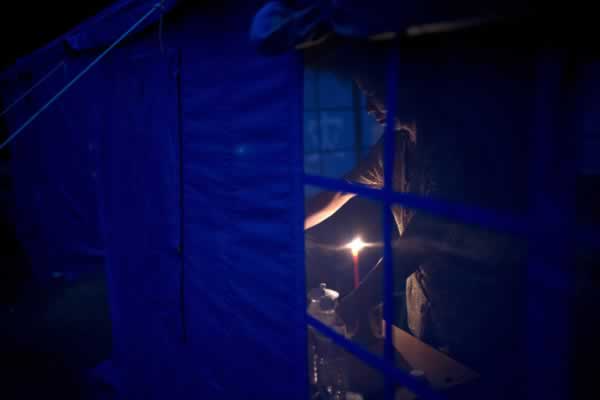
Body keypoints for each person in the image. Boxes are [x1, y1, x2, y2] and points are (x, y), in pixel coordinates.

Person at [303, 37, 528, 378]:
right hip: (424, 307)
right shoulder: (395, 146)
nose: (368, 107)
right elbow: (342, 190)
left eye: (374, 92)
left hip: (478, 308)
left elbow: (424, 236)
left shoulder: (456, 148)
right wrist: (285, 227)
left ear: (408, 85)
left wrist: (359, 300)